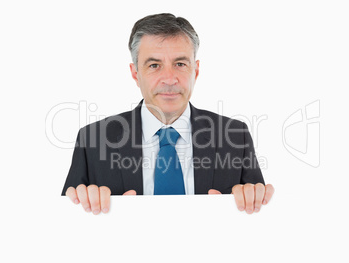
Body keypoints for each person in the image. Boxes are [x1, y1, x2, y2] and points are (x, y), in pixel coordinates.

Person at [62, 13, 274, 215]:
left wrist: (250, 204)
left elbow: (261, 218)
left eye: (180, 64)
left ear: (196, 71)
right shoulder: (93, 140)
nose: (169, 79)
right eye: (154, 65)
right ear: (135, 74)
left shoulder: (236, 136)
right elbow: (64, 223)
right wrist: (85, 210)